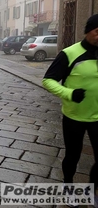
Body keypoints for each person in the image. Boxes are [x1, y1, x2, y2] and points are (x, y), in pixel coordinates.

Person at [42, 14, 98, 205]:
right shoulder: (69, 53)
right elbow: (48, 80)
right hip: (74, 116)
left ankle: (93, 190)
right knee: (73, 156)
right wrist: (69, 93)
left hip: (97, 118)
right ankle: (68, 185)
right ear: (87, 31)